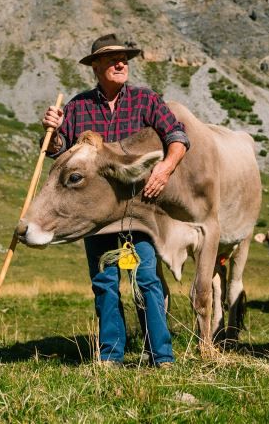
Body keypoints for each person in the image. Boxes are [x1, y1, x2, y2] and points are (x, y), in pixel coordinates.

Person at [41, 33, 189, 367]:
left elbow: (177, 137)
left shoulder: (146, 100)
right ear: (95, 66)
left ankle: (160, 355)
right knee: (106, 283)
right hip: (96, 216)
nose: (121, 63)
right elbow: (60, 155)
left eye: (124, 58)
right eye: (111, 59)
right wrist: (52, 133)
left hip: (138, 212)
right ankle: (110, 355)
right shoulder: (77, 108)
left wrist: (165, 169)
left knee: (147, 280)